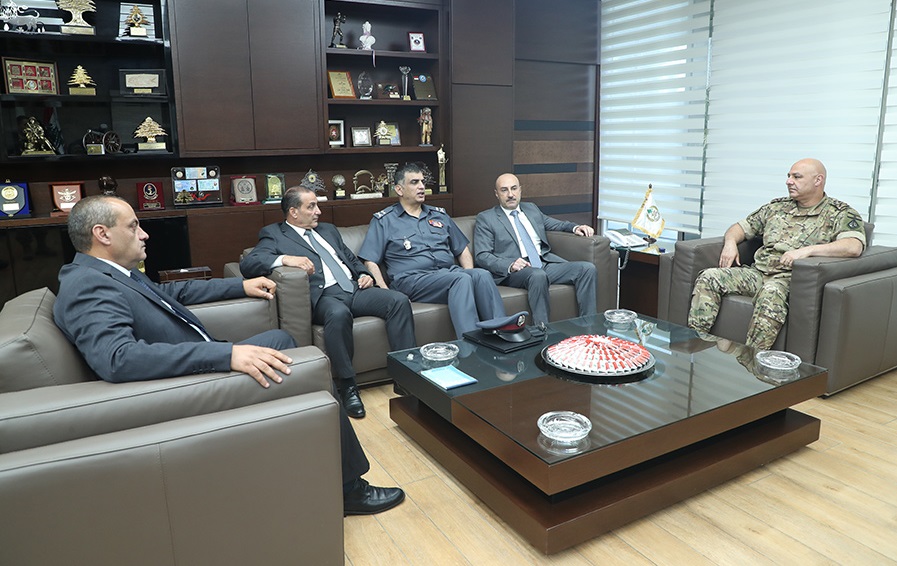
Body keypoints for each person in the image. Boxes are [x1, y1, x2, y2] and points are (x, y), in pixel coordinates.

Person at [53, 195, 404, 516]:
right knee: (311, 368)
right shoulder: (87, 284)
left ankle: (315, 458)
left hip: (202, 366)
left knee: (283, 341)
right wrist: (226, 355)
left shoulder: (110, 274)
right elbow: (118, 359)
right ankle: (349, 489)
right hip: (193, 386)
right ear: (102, 234)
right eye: (133, 226)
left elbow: (173, 293)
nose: (143, 234)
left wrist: (240, 285)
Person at [240, 185, 416, 419]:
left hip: (354, 289)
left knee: (398, 301)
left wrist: (364, 274)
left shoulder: (328, 230)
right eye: (311, 207)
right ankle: (348, 386)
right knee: (338, 314)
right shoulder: (274, 234)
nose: (318, 211)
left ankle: (407, 376)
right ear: (293, 212)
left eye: (317, 206)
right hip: (324, 297)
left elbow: (350, 258)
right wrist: (285, 259)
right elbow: (249, 264)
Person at [688, 158, 866, 349]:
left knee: (771, 292)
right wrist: (730, 243)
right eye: (789, 176)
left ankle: (751, 356)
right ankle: (697, 345)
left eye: (796, 177)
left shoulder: (839, 213)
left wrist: (807, 251)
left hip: (789, 281)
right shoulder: (776, 207)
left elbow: (853, 246)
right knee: (709, 277)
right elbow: (739, 227)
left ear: (818, 180)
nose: (789, 181)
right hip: (757, 274)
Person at [358, 162, 506, 339]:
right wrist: (385, 291)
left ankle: (501, 335)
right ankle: (470, 344)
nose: (421, 186)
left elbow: (462, 249)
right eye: (414, 182)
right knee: (461, 279)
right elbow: (370, 261)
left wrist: (470, 274)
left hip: (446, 274)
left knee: (481, 275)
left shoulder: (439, 215)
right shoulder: (385, 220)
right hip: (411, 280)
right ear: (399, 189)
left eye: (422, 181)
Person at [473, 173, 598, 326]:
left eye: (514, 188)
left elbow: (555, 224)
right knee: (537, 275)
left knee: (587, 269)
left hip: (543, 263)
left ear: (520, 190)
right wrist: (510, 265)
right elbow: (482, 256)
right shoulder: (486, 218)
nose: (510, 194)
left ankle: (589, 328)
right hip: (515, 271)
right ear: (496, 194)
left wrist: (575, 227)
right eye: (504, 190)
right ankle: (543, 330)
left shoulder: (531, 209)